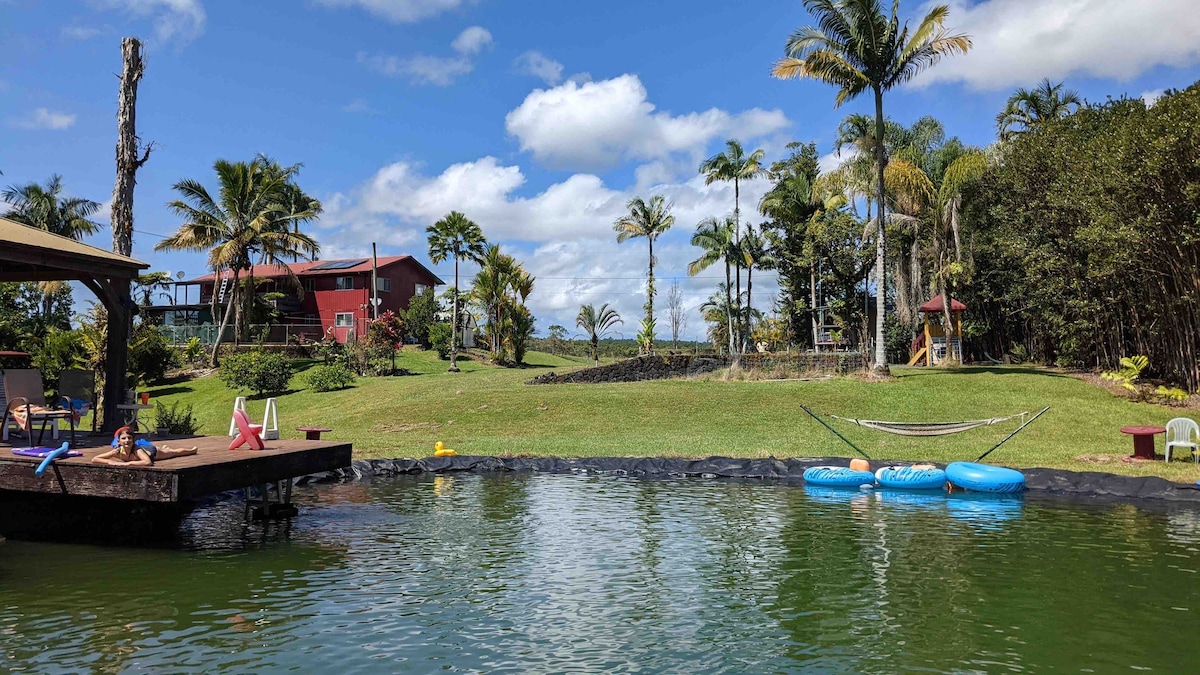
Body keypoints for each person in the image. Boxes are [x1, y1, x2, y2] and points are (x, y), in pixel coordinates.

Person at [92, 427, 198, 466]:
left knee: (174, 453)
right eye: (124, 439)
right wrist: (110, 462)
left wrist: (128, 464)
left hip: (152, 452)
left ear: (133, 440)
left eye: (129, 438)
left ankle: (191, 451)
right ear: (119, 442)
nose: (127, 440)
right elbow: (95, 459)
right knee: (168, 450)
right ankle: (165, 448)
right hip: (143, 453)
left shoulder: (137, 450)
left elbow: (147, 462)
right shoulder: (117, 451)